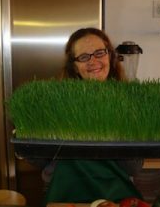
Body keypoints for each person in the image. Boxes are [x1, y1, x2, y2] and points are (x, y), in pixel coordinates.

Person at [36, 28, 144, 205]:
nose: (93, 61)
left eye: (99, 53)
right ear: (75, 66)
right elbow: (39, 162)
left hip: (115, 194)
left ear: (110, 56)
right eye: (84, 57)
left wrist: (115, 127)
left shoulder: (129, 101)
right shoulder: (54, 102)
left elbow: (133, 168)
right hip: (64, 193)